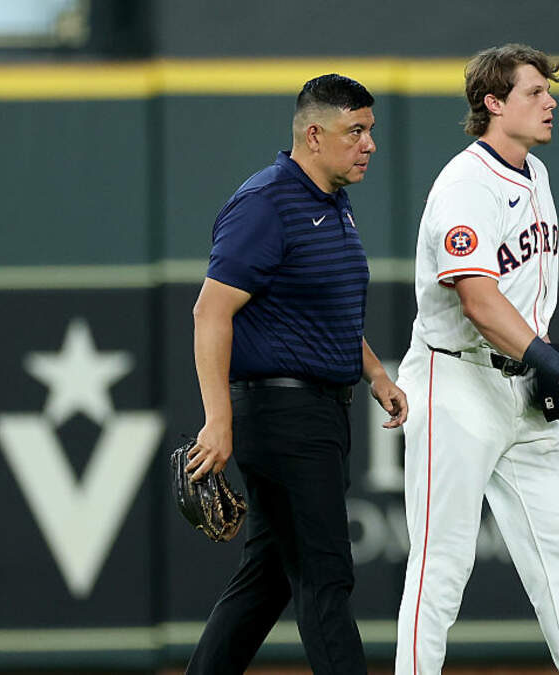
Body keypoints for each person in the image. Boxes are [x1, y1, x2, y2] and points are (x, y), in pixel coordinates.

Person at [393, 44, 559, 674]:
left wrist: (544, 366)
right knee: (442, 564)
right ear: (493, 103)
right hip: (455, 381)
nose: (550, 102)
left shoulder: (534, 174)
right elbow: (480, 303)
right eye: (534, 92)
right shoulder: (466, 185)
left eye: (549, 91)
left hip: (523, 391)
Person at [184, 73, 407, 675]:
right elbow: (210, 312)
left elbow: (323, 307)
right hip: (283, 415)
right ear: (313, 135)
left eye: (370, 130)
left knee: (269, 578)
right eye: (354, 131)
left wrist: (374, 374)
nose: (369, 144)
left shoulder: (332, 201)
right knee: (324, 575)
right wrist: (217, 421)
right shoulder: (265, 202)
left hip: (320, 410)